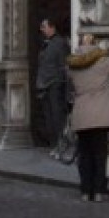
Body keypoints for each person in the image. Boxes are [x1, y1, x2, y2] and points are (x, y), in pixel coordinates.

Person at [67, 33, 109, 203]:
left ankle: (85, 191)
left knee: (85, 155)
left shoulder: (72, 65)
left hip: (81, 115)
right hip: (100, 115)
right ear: (95, 44)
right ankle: (98, 192)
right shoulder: (102, 62)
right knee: (99, 154)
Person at [36, 18, 70, 155]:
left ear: (52, 27)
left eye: (44, 27)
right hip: (45, 86)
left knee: (57, 118)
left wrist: (62, 85)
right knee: (49, 118)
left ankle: (60, 146)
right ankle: (54, 144)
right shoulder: (46, 44)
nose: (42, 29)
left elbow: (63, 66)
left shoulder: (60, 43)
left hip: (55, 85)